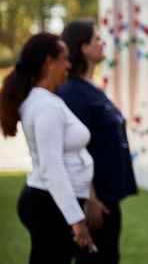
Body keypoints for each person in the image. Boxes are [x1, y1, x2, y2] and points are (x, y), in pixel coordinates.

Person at [0, 32, 95, 263]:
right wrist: (77, 221)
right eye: (65, 59)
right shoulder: (46, 107)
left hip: (50, 202)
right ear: (49, 62)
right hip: (48, 204)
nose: (69, 66)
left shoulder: (43, 101)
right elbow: (52, 167)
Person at [57, 20, 138, 264]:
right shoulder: (73, 92)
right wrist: (90, 199)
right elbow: (74, 149)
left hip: (109, 197)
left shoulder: (91, 86)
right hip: (95, 200)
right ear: (83, 47)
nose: (103, 43)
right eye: (97, 39)